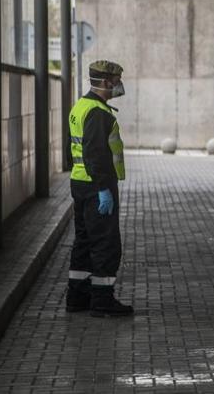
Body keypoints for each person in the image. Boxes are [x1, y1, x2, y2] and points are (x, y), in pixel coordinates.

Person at [67, 60, 133, 317]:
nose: (119, 85)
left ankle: (78, 297)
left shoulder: (81, 107)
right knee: (105, 244)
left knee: (84, 241)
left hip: (81, 183)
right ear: (106, 82)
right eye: (116, 81)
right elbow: (95, 153)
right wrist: (104, 189)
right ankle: (102, 301)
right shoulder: (98, 113)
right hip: (97, 187)